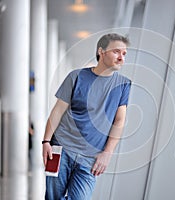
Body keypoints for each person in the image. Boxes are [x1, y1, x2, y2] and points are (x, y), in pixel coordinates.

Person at [42, 33, 131, 200]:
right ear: (101, 51)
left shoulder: (123, 85)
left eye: (124, 54)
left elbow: (119, 121)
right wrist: (46, 141)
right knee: (52, 197)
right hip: (60, 149)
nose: (121, 57)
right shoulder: (75, 77)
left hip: (90, 158)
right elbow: (58, 111)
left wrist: (107, 153)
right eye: (116, 52)